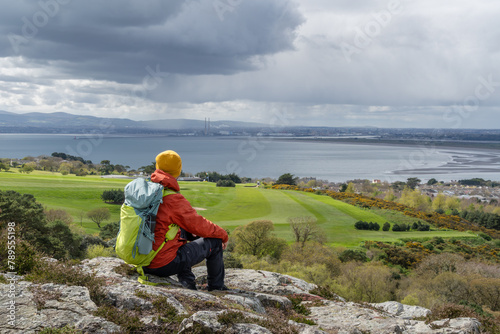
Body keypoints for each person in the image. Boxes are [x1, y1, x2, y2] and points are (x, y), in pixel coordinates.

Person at [143, 150, 229, 291]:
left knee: (182, 231)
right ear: (178, 171)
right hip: (161, 265)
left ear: (157, 167)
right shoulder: (172, 198)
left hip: (141, 259)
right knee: (215, 241)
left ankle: (188, 283)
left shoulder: (146, 190)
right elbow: (199, 225)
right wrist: (223, 235)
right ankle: (217, 288)